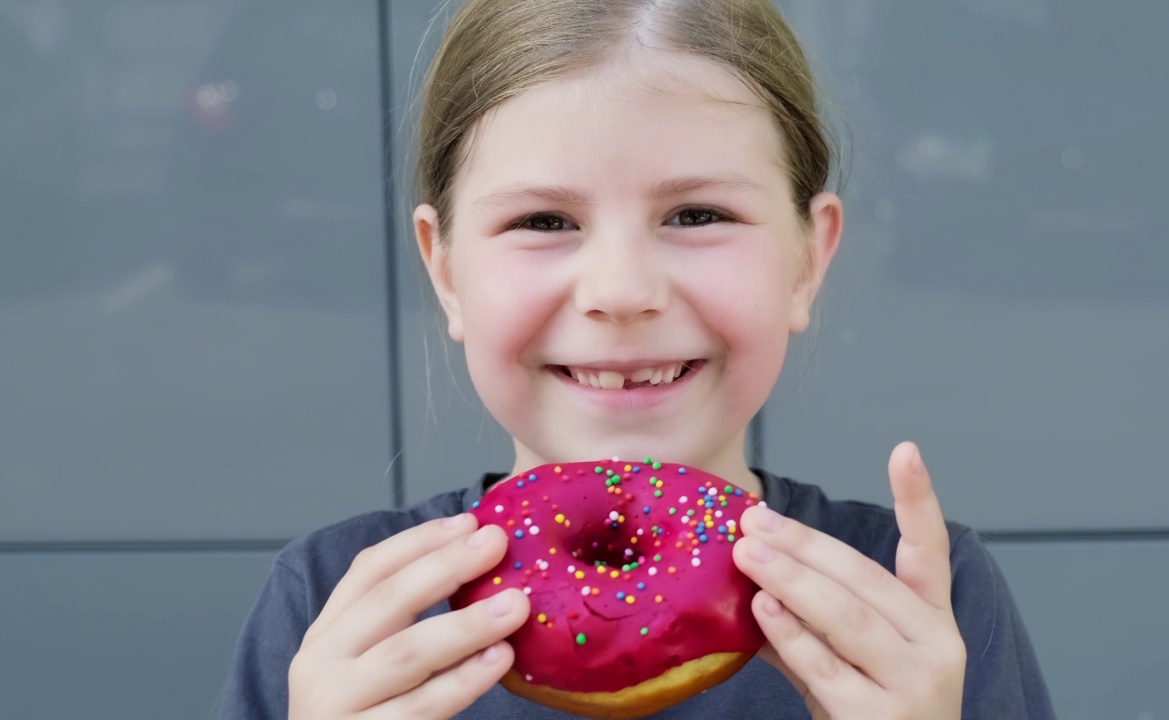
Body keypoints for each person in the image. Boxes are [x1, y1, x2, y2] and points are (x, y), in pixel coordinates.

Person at [217, 0, 1055, 717]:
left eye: (696, 215)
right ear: (447, 272)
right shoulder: (336, 614)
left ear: (807, 260)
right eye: (544, 222)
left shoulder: (916, 610)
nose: (620, 291)